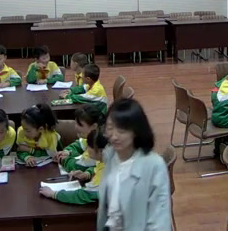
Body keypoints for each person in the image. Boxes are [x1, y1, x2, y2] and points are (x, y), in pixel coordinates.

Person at [97, 98, 171, 230]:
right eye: (110, 128)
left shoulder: (154, 165)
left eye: (122, 131)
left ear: (136, 131)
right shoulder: (110, 155)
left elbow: (159, 221)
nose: (114, 136)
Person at [40, 127, 107, 205]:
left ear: (100, 151)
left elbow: (83, 195)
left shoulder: (106, 172)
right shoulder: (107, 160)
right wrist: (87, 174)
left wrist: (54, 194)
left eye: (89, 146)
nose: (86, 148)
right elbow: (97, 167)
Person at [57, 104, 105, 173]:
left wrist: (63, 160)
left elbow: (77, 166)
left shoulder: (99, 147)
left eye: (80, 125)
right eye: (75, 123)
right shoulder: (87, 138)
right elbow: (76, 145)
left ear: (94, 126)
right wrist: (68, 152)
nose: (76, 127)